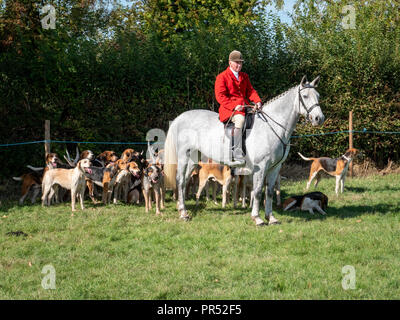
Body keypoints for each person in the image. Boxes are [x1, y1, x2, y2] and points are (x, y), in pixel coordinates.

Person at [215, 50, 262, 166]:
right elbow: (220, 96)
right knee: (240, 120)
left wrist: (258, 101)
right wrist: (233, 106)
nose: (239, 65)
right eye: (236, 63)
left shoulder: (244, 76)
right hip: (229, 109)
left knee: (259, 117)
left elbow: (250, 91)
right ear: (230, 63)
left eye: (241, 63)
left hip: (244, 106)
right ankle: (235, 153)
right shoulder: (222, 77)